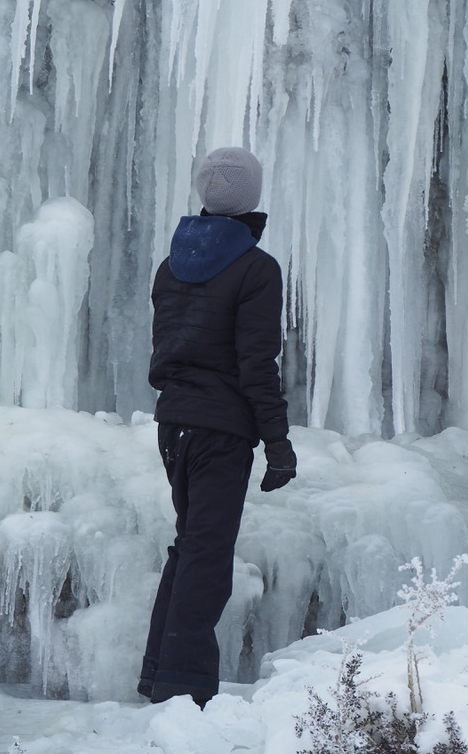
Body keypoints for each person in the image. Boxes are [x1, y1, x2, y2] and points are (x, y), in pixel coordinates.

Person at [137, 146, 297, 705]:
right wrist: (277, 443)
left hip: (173, 425)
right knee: (207, 556)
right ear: (250, 197)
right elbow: (257, 364)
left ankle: (159, 672)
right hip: (221, 431)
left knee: (190, 547)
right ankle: (184, 692)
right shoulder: (257, 268)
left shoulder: (170, 265)